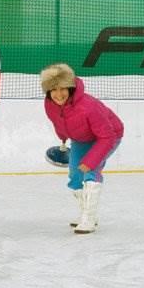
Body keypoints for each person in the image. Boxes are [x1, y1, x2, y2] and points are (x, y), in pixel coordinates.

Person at [42, 63, 123, 234]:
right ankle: (85, 213)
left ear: (71, 88)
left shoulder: (88, 106)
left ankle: (89, 219)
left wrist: (90, 160)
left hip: (109, 135)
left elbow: (106, 137)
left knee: (90, 172)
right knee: (75, 176)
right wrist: (63, 139)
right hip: (81, 138)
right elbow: (59, 121)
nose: (58, 94)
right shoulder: (49, 104)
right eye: (54, 89)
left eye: (63, 88)